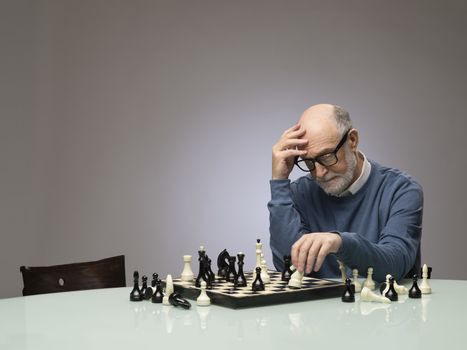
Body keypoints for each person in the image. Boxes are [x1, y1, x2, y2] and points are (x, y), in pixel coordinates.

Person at [268, 104, 423, 282]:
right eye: (309, 162)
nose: (319, 173)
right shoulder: (300, 192)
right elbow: (288, 267)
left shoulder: (401, 190)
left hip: (384, 308)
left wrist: (340, 243)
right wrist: (279, 183)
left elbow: (395, 264)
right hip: (318, 309)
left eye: (326, 156)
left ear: (352, 140)